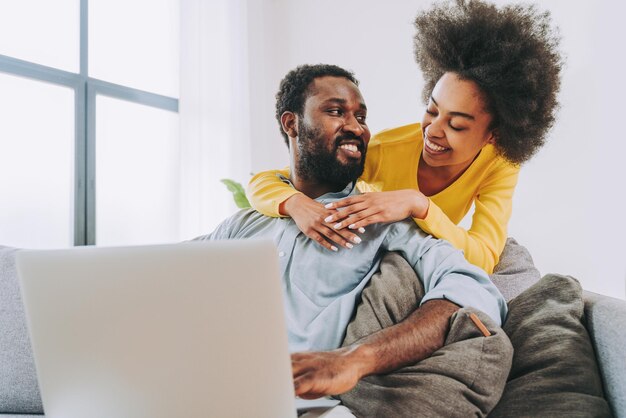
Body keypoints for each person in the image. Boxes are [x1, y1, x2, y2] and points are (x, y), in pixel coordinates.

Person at [195, 64, 512, 416]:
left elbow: (475, 286)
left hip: (305, 406)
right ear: (292, 124)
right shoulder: (243, 224)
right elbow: (159, 278)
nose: (356, 127)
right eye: (335, 111)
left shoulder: (381, 221)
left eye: (361, 116)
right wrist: (295, 204)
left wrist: (357, 359)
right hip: (205, 392)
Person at [246, 0, 563, 274]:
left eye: (457, 125)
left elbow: (484, 258)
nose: (434, 130)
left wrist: (420, 206)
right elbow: (265, 182)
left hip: (433, 258)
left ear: (492, 136)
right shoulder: (384, 150)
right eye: (432, 110)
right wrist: (296, 204)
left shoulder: (500, 165)